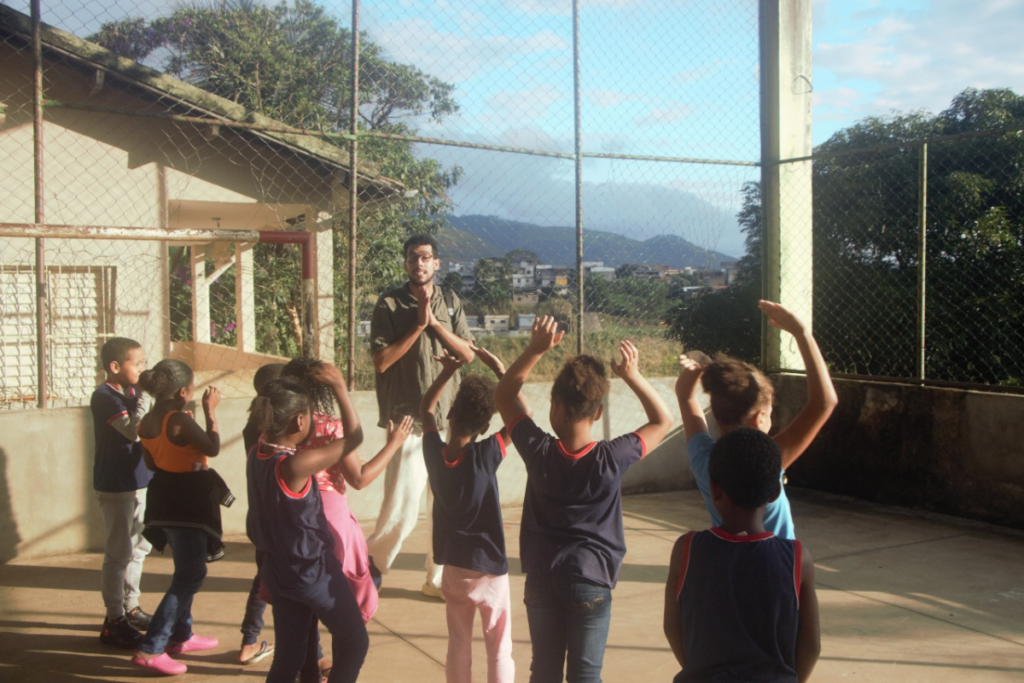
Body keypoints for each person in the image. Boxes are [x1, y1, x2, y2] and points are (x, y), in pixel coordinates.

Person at [495, 316, 674, 682]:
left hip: (542, 577)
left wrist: (534, 350)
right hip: (592, 579)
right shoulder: (612, 457)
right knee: (586, 674)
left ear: (554, 406)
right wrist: (632, 376)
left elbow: (503, 395)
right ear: (598, 412)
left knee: (543, 670)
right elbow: (662, 421)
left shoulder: (538, 449)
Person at [663, 428, 820, 682]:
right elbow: (811, 645)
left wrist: (698, 671)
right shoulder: (797, 558)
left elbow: (672, 627)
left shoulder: (687, 549)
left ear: (715, 489)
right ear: (775, 492)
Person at [367, 233, 475, 598]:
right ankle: (368, 570)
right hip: (407, 421)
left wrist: (435, 324)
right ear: (405, 263)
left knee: (445, 506)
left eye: (426, 257)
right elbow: (381, 362)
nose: (419, 263)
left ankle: (437, 579)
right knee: (402, 507)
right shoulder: (389, 304)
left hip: (448, 419)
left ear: (436, 263)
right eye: (413, 257)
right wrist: (416, 324)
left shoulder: (451, 301)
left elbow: (468, 354)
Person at [675, 300, 838, 539]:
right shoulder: (769, 459)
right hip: (776, 559)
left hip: (730, 557)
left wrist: (702, 366)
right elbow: (825, 403)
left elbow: (685, 397)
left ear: (717, 415)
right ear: (760, 417)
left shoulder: (705, 460)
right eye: (770, 409)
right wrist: (802, 333)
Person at [247, 365, 369, 683]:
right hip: (312, 573)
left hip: (278, 572)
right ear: (300, 421)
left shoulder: (257, 453)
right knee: (355, 642)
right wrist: (340, 386)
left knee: (289, 657)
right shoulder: (294, 465)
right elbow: (354, 437)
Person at [420, 347, 525, 683]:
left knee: (458, 645)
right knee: (499, 648)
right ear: (484, 427)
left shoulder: (433, 452)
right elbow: (522, 417)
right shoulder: (487, 453)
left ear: (451, 414)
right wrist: (502, 371)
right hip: (489, 568)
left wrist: (447, 372)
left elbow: (426, 409)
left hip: (453, 567)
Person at [132, 359, 226, 676]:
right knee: (191, 575)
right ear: (183, 392)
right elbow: (212, 448)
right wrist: (210, 412)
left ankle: (180, 636)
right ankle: (151, 648)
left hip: (163, 499)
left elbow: (152, 462)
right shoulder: (178, 420)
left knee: (185, 568)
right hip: (188, 502)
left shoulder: (147, 421)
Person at [91, 337, 153, 648]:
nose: (142, 369)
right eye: (137, 364)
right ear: (115, 367)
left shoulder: (132, 392)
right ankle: (113, 619)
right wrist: (146, 398)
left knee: (139, 547)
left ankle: (131, 606)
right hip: (116, 484)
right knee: (118, 552)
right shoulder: (104, 396)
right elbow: (131, 431)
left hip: (140, 479)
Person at [238, 362, 284, 666]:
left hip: (258, 518)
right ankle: (309, 654)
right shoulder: (277, 431)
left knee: (264, 580)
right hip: (278, 520)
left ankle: (249, 641)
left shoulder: (253, 424)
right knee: (286, 586)